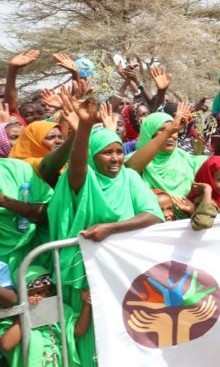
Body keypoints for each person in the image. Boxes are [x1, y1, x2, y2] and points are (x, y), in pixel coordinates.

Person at [47, 94, 165, 367]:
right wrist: (85, 127)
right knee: (89, 337)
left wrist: (111, 228)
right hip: (82, 272)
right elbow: (77, 165)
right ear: (92, 156)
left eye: (119, 151)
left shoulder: (130, 177)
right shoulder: (81, 177)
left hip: (121, 272)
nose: (115, 159)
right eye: (107, 152)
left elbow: (153, 215)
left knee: (125, 331)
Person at [125, 103, 208, 218]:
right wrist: (170, 130)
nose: (171, 135)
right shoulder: (136, 160)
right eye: (163, 130)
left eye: (175, 130)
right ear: (149, 133)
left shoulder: (189, 161)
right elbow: (130, 169)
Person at [0, 265, 90, 367]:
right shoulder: (13, 314)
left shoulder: (57, 309)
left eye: (48, 291)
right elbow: (6, 344)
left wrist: (87, 305)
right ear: (24, 293)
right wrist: (27, 311)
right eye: (38, 292)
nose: (44, 297)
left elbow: (78, 331)